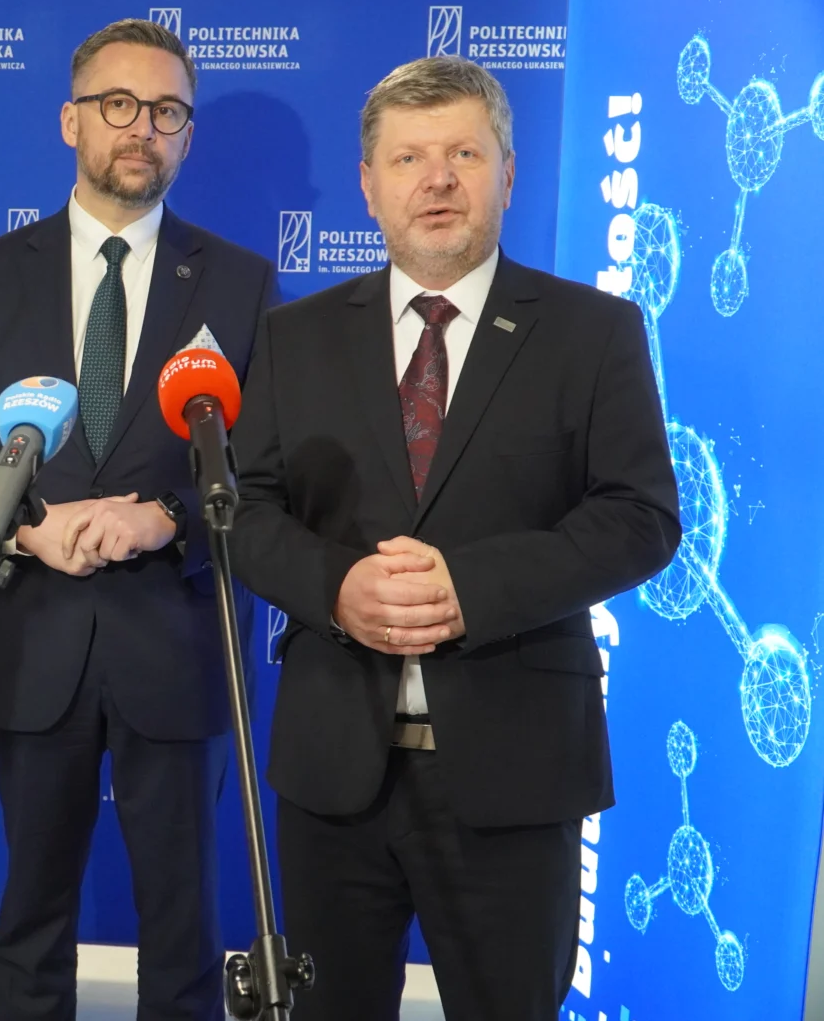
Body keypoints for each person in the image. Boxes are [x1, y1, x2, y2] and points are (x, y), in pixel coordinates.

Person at [228, 56, 681, 1020]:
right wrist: (337, 588)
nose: (437, 180)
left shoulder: (594, 331)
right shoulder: (295, 336)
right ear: (369, 184)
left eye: (464, 155)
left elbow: (641, 517)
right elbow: (246, 513)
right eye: (409, 158)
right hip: (333, 767)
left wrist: (470, 588)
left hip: (517, 770)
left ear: (508, 172)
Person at [0, 18, 276, 1021]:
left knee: (183, 937)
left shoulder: (240, 283)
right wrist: (19, 528)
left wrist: (168, 520)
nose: (142, 128)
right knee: (30, 928)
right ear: (71, 121)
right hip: (33, 641)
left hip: (179, 646)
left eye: (167, 112)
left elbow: (268, 473)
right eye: (119, 104)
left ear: (187, 135)